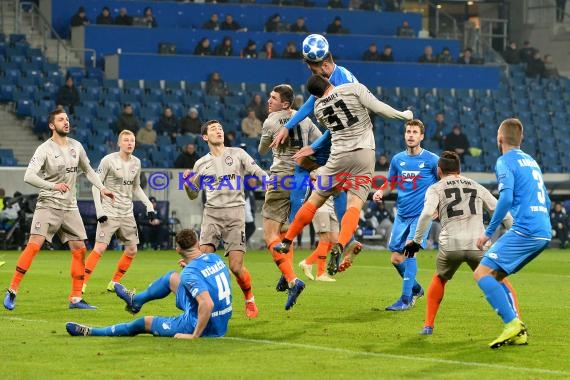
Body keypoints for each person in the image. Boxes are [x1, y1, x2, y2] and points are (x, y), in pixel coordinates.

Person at [275, 75, 413, 279]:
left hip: (338, 157)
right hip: (364, 154)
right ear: (328, 81)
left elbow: (329, 133)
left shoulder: (319, 108)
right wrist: (405, 115)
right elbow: (380, 109)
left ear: (314, 94)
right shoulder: (354, 88)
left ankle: (287, 240)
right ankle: (340, 244)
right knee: (354, 204)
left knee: (314, 200)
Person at [3, 108, 114, 311]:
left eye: (67, 119)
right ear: (52, 125)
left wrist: (103, 188)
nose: (66, 122)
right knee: (34, 244)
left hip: (70, 206)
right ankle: (12, 290)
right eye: (61, 119)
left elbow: (88, 170)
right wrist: (53, 186)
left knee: (79, 249)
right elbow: (29, 176)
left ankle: (76, 298)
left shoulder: (76, 146)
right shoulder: (44, 149)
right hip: (48, 203)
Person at [269, 34, 363, 273]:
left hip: (346, 140)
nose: (310, 71)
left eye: (311, 67)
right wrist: (287, 127)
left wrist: (314, 145)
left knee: (303, 163)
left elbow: (341, 126)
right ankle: (347, 239)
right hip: (343, 138)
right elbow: (311, 103)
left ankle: (293, 230)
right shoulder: (334, 76)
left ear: (323, 64)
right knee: (334, 185)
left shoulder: (339, 83)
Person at [402, 151, 518, 336]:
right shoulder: (476, 185)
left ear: (439, 170)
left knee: (440, 278)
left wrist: (416, 242)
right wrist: (512, 240)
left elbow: (425, 215)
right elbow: (504, 214)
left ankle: (428, 325)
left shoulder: (435, 188)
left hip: (451, 245)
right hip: (478, 244)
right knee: (498, 279)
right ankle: (515, 321)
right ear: (459, 169)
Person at [66, 229, 232, 339]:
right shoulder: (214, 258)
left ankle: (92, 332)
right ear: (197, 244)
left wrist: (193, 336)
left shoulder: (190, 273)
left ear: (177, 249)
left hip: (201, 325)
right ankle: (136, 300)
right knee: (171, 278)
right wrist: (192, 269)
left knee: (141, 323)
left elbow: (207, 304)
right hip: (220, 319)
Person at [474, 118, 551, 348]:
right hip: (542, 230)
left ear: (499, 139)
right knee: (497, 276)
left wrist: (488, 232)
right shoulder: (532, 161)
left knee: (481, 273)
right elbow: (545, 199)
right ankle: (517, 331)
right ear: (521, 139)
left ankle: (512, 324)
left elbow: (505, 198)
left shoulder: (504, 161)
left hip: (526, 229)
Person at [182, 120, 268, 318]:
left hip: (235, 213)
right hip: (211, 214)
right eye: (213, 129)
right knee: (201, 262)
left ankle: (249, 298)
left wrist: (267, 179)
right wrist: (187, 184)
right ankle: (204, 306)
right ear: (205, 137)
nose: (219, 130)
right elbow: (193, 194)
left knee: (236, 267)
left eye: (220, 128)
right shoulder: (200, 163)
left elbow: (255, 169)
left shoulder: (237, 153)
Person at [258, 84, 322, 310]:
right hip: (300, 179)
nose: (269, 101)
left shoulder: (271, 120)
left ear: (285, 103)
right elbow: (320, 142)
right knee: (286, 231)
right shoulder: (304, 119)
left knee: (269, 235)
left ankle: (293, 279)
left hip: (280, 179)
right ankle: (287, 275)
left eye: (273, 98)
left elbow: (263, 149)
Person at [372, 119, 439, 311]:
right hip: (402, 215)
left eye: (415, 132)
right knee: (396, 259)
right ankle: (416, 289)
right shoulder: (397, 159)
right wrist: (379, 192)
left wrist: (437, 208)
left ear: (422, 136)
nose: (411, 135)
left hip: (421, 216)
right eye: (408, 131)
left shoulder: (432, 160)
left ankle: (405, 299)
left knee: (410, 252)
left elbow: (444, 184)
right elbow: (390, 184)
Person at [82, 130, 155, 294]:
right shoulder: (108, 160)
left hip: (127, 213)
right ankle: (82, 284)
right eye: (126, 140)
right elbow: (96, 185)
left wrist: (148, 205)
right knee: (99, 248)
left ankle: (114, 283)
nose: (130, 143)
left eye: (132, 140)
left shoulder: (136, 162)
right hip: (109, 211)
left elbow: (135, 187)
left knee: (132, 250)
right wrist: (99, 211)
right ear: (119, 143)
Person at [299, 197, 338, 282]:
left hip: (331, 205)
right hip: (321, 205)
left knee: (334, 240)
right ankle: (320, 274)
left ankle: (307, 262)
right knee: (325, 239)